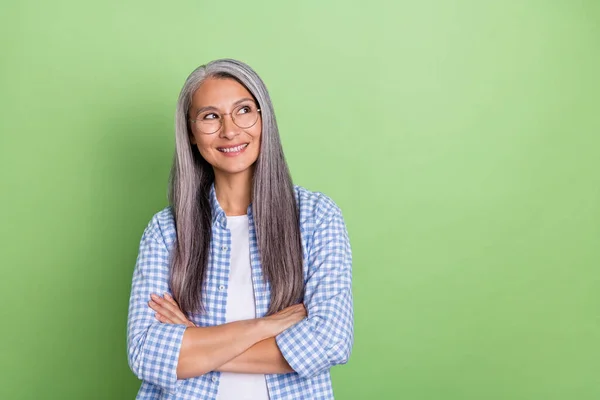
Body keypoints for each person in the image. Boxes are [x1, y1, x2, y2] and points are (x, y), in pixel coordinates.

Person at [126, 58, 354, 400]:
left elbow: (330, 342)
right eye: (210, 116)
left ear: (264, 119)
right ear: (190, 133)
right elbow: (145, 354)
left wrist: (195, 340)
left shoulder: (316, 217)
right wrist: (262, 327)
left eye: (244, 110)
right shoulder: (165, 231)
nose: (230, 130)